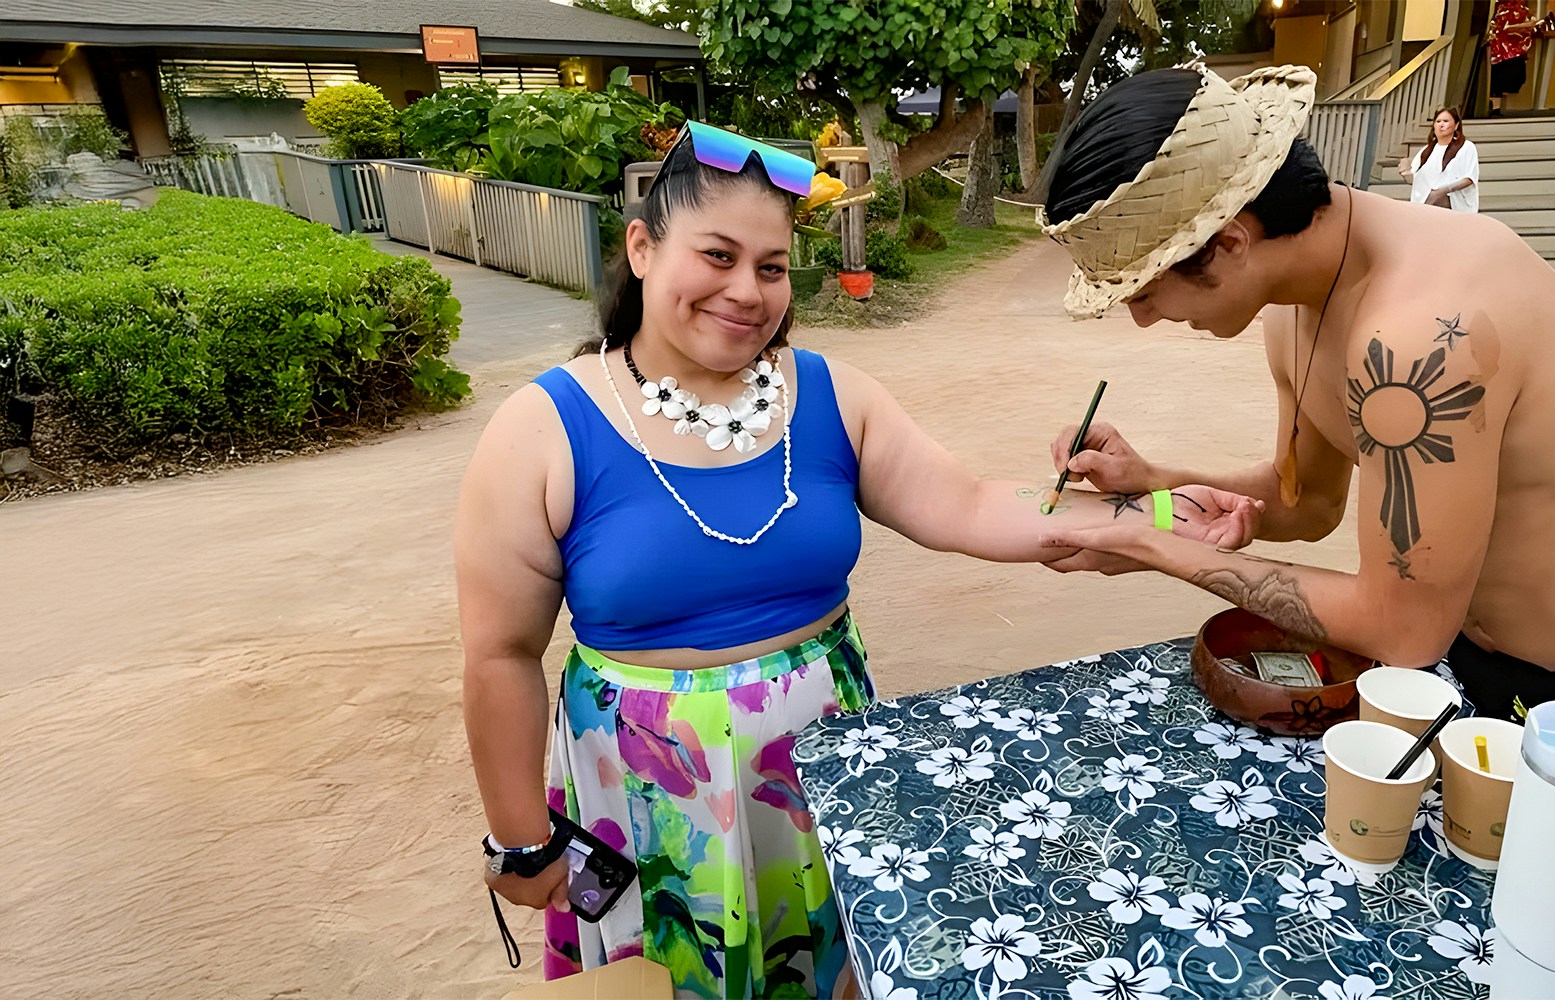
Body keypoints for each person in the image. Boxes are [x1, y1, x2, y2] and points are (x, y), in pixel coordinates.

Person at [455, 122, 1263, 998]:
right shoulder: (543, 426)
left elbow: (969, 504)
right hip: (646, 798)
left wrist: (1153, 511)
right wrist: (520, 838)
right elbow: (501, 653)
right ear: (643, 248)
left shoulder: (831, 395)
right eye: (718, 256)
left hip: (822, 772)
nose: (747, 291)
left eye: (771, 267)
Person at [1035, 64, 1555, 723]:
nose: (1142, 319)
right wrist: (1154, 483)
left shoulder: (1421, 336)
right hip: (1476, 660)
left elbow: (1404, 629)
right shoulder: (1295, 301)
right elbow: (1306, 502)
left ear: (1229, 242)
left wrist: (1150, 544)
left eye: (1146, 291)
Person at [1399, 107, 1479, 212]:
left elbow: (1470, 178)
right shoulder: (1426, 151)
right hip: (1426, 201)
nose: (1441, 124)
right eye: (1438, 121)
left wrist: (1444, 190)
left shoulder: (1466, 147)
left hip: (1454, 200)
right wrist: (1405, 169)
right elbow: (1414, 178)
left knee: (1434, 201)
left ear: (1456, 125)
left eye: (1445, 121)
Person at [1487, 0, 1539, 117]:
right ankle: (1495, 107)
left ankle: (1495, 107)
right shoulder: (1501, 9)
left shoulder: (1518, 9)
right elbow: (1505, 27)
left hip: (1511, 48)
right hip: (1504, 47)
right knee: (1499, 77)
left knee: (1502, 77)